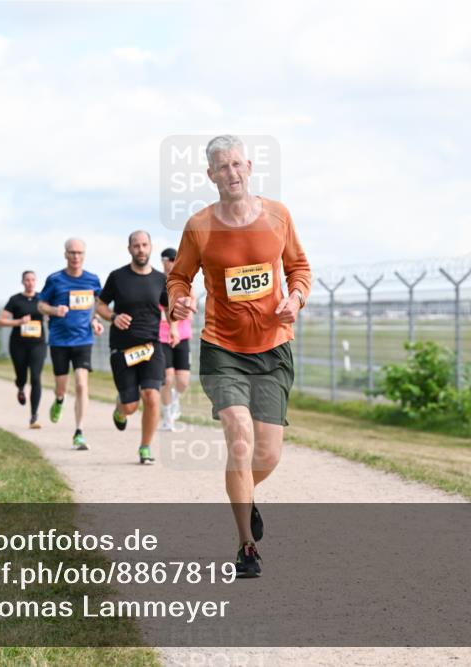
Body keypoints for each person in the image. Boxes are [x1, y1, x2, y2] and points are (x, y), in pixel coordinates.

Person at [167, 135, 311, 578]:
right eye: (221, 167)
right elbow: (179, 278)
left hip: (273, 346)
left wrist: (297, 298)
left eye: (236, 165)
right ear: (210, 175)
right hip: (222, 346)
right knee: (240, 435)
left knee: (266, 455)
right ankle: (246, 546)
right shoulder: (199, 226)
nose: (231, 173)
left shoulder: (278, 215)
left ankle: (245, 497)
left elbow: (299, 269)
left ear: (249, 167)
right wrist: (180, 300)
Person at [96, 231, 169, 464]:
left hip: (151, 346)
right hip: (122, 347)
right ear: (129, 249)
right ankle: (120, 408)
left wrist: (176, 326)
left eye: (144, 245)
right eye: (136, 245)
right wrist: (113, 317)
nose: (140, 249)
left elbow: (169, 309)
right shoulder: (117, 277)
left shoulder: (160, 279)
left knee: (152, 395)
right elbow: (100, 305)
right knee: (130, 406)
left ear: (151, 247)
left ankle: (145, 447)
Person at [37, 238, 104, 450]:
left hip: (83, 339)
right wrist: (55, 311)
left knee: (82, 384)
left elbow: (99, 306)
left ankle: (79, 431)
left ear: (84, 255)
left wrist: (95, 320)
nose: (76, 256)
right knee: (61, 387)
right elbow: (40, 305)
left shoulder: (92, 280)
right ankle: (58, 401)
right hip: (59, 340)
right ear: (65, 254)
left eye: (79, 253)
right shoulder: (55, 279)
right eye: (72, 252)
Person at [0, 270, 48, 429]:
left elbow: (51, 314)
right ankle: (20, 387)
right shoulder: (15, 300)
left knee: (35, 377)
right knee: (21, 375)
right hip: (18, 344)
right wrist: (19, 321)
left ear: (36, 281)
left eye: (33, 279)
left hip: (38, 344)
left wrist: (50, 315)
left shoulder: (42, 299)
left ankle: (34, 415)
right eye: (27, 280)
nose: (30, 282)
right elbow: (0, 321)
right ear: (22, 282)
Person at [158, 247, 194, 431]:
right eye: (169, 259)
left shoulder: (185, 282)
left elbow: (192, 304)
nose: (172, 262)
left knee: (183, 381)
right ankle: (166, 416)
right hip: (162, 336)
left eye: (175, 259)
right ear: (163, 261)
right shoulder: (156, 282)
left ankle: (174, 400)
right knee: (167, 378)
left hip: (183, 335)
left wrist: (189, 306)